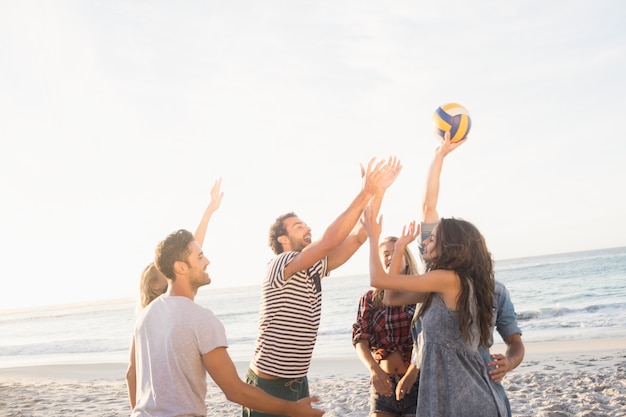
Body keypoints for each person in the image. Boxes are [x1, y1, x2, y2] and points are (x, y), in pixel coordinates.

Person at [243, 157, 402, 417]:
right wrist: (365, 191)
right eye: (298, 226)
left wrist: (379, 191)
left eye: (305, 224)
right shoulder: (280, 264)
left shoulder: (314, 267)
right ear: (283, 239)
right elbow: (331, 240)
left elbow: (360, 236)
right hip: (267, 385)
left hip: (298, 383)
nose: (307, 227)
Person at [383, 132, 524, 416]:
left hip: (478, 391)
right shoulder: (433, 274)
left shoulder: (495, 291)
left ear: (453, 248)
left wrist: (509, 362)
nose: (428, 240)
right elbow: (428, 206)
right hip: (439, 393)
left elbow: (515, 343)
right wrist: (439, 156)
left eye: (434, 238)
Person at [127, 228, 325, 417]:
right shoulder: (200, 319)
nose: (207, 261)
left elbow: (131, 376)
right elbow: (234, 391)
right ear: (180, 268)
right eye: (199, 257)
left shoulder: (145, 315)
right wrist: (293, 409)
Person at [362, 207, 509, 416]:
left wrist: (372, 236)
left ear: (448, 245)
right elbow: (390, 297)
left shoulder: (448, 279)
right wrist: (400, 248)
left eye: (431, 239)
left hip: (469, 400)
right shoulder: (442, 285)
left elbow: (378, 280)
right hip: (447, 396)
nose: (424, 242)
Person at [351, 235, 420, 417]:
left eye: (396, 252)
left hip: (417, 382)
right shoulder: (370, 299)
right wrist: (374, 370)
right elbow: (360, 338)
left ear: (406, 258)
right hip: (384, 384)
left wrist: (413, 372)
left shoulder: (421, 295)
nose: (391, 258)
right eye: (386, 254)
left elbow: (428, 339)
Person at [136, 178, 225, 309]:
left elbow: (191, 251)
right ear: (154, 285)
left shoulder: (174, 302)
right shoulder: (153, 313)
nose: (171, 273)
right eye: (164, 272)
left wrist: (209, 211)